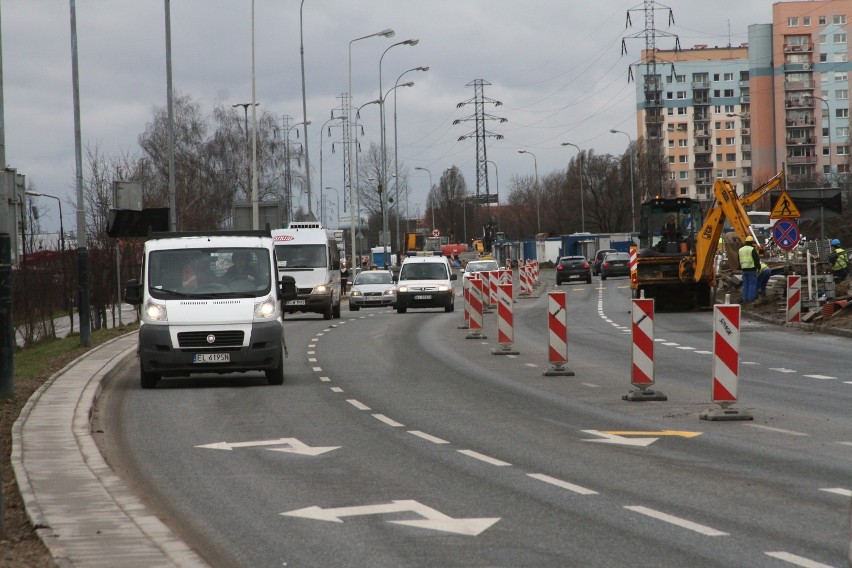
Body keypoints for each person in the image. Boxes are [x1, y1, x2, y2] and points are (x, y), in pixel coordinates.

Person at [738, 235, 760, 303]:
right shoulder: (752, 249)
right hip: (751, 269)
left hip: (744, 270)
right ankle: (751, 299)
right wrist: (758, 267)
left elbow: (738, 260)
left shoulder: (740, 249)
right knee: (752, 284)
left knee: (745, 284)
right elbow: (756, 259)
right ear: (751, 242)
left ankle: (745, 299)